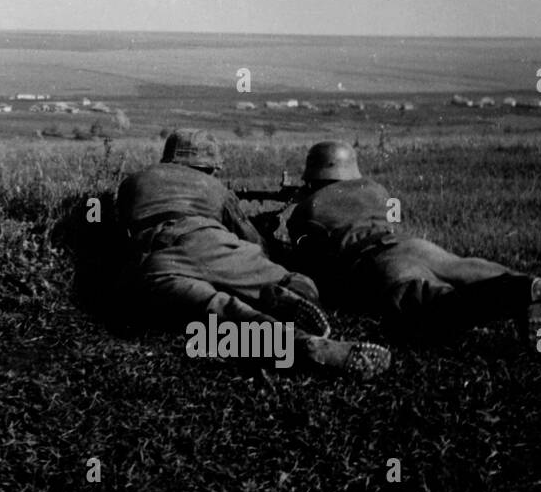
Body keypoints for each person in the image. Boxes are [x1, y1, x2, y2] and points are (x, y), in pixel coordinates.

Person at [113, 129, 391, 378]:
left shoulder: (132, 182)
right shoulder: (214, 187)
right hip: (212, 243)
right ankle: (286, 295)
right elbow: (254, 241)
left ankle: (306, 346)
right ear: (209, 167)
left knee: (221, 308)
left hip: (156, 264)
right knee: (292, 279)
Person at [283, 141, 541, 348]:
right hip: (414, 246)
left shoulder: (308, 209)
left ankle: (518, 294)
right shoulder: (376, 189)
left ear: (314, 172)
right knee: (482, 270)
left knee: (433, 303)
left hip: (378, 262)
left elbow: (310, 265)